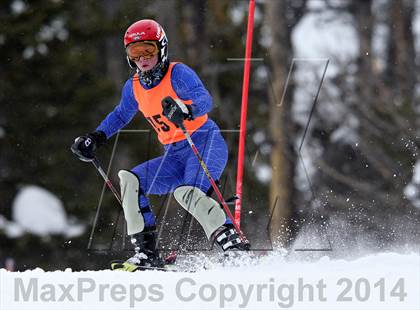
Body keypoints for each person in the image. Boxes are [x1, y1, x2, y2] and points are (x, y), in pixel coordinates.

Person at [71, 19, 247, 271]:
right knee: (130, 180)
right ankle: (147, 254)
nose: (142, 58)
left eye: (148, 50)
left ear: (161, 48)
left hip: (204, 142)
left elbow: (204, 99)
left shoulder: (178, 73)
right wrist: (96, 137)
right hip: (173, 155)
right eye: (135, 52)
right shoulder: (133, 86)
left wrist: (187, 109)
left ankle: (234, 247)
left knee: (187, 193)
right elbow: (121, 114)